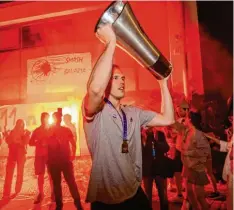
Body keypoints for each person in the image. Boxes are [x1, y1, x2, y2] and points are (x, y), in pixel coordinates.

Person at [82, 24, 175, 210]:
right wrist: (111, 43)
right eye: (116, 78)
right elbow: (94, 89)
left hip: (134, 194)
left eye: (123, 78)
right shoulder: (97, 112)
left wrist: (163, 83)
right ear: (107, 82)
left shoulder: (133, 113)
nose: (122, 81)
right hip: (105, 201)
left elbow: (168, 119)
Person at [47, 112, 83, 210]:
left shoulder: (64, 130)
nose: (58, 119)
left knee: (69, 182)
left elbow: (73, 142)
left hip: (64, 160)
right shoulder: (51, 130)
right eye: (57, 117)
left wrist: (73, 154)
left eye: (59, 117)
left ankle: (76, 203)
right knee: (58, 184)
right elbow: (47, 145)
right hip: (55, 161)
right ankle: (61, 205)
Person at [181, 112, 211, 210]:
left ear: (190, 120)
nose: (184, 120)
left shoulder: (197, 134)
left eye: (186, 118)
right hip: (190, 167)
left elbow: (205, 151)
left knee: (199, 196)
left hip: (196, 168)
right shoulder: (188, 132)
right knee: (189, 193)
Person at [142, 127, 170, 210]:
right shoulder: (141, 136)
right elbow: (139, 152)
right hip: (147, 169)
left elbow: (166, 148)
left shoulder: (159, 134)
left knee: (163, 193)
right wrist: (144, 139)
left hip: (160, 168)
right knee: (148, 194)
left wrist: (155, 142)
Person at [29, 112, 54, 204]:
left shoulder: (52, 129)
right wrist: (38, 142)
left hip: (50, 155)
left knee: (51, 174)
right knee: (40, 175)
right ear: (41, 119)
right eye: (43, 118)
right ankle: (41, 193)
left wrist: (48, 143)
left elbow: (56, 141)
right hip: (39, 155)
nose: (45, 119)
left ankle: (53, 193)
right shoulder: (37, 130)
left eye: (47, 118)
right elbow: (30, 142)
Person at [2, 119, 30, 199]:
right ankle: (6, 192)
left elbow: (26, 142)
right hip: (12, 153)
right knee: (9, 173)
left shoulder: (26, 132)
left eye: (21, 124)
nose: (20, 125)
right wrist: (7, 136)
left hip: (21, 154)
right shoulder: (11, 132)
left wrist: (22, 138)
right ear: (16, 124)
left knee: (20, 173)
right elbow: (8, 141)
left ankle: (17, 190)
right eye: (18, 123)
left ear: (23, 124)